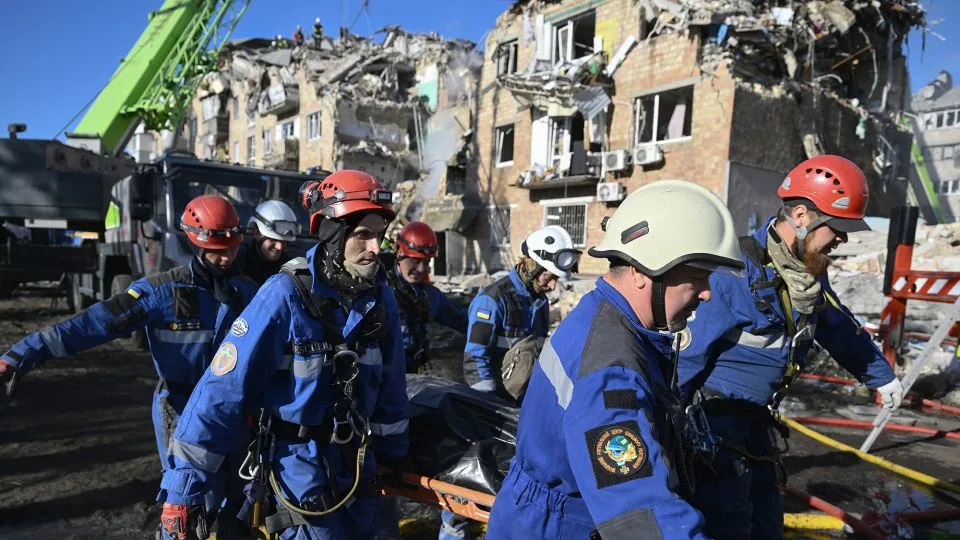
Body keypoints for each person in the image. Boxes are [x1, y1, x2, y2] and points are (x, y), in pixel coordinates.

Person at [486, 180, 745, 539]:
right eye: (695, 277)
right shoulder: (610, 364)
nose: (706, 294)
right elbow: (638, 513)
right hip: (559, 527)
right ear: (641, 271)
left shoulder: (603, 316)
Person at [159, 170, 408, 540]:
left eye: (379, 235)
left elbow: (392, 386)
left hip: (357, 463)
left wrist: (395, 455)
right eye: (362, 235)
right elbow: (222, 391)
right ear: (333, 235)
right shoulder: (284, 296)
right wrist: (183, 490)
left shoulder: (380, 298)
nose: (375, 248)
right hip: (298, 467)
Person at [677, 155, 904, 539]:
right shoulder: (733, 274)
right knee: (729, 525)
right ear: (801, 216)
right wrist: (664, 439)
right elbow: (683, 361)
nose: (844, 239)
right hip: (715, 426)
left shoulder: (806, 273)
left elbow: (835, 324)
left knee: (767, 523)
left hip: (758, 422)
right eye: (838, 227)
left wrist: (880, 376)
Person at [0, 195, 258, 531]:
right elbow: (92, 324)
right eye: (217, 251)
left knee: (237, 500)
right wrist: (23, 353)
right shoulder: (162, 293)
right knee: (186, 504)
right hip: (180, 408)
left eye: (232, 248)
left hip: (232, 408)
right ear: (196, 243)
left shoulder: (247, 293)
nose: (226, 258)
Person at [462, 225, 579, 396]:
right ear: (532, 266)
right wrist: (488, 401)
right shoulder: (491, 300)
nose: (553, 286)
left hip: (525, 396)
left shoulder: (540, 302)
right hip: (497, 397)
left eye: (557, 279)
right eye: (549, 277)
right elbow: (474, 359)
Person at [383, 221, 467, 374]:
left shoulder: (428, 295)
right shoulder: (378, 290)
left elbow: (461, 320)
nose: (422, 269)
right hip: (380, 375)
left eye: (426, 262)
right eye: (415, 261)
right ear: (399, 253)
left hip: (410, 374)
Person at [238, 199, 300, 285]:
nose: (280, 247)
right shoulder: (237, 263)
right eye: (273, 239)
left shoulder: (290, 269)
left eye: (285, 241)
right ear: (256, 232)